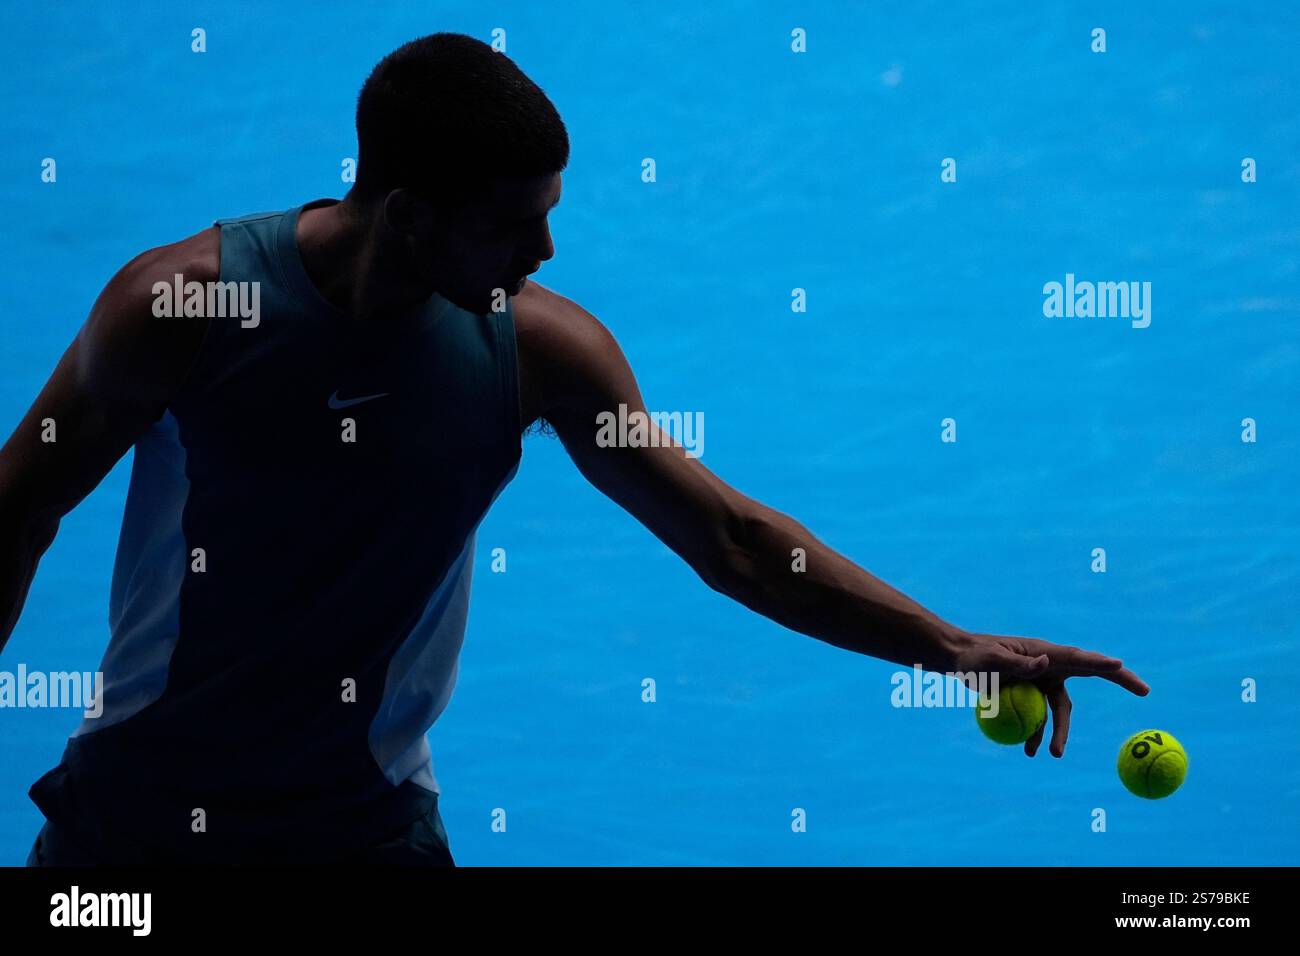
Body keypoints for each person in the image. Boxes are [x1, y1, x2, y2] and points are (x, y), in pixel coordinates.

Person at [0, 32, 1148, 866]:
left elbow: (735, 541)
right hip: (136, 828)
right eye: (513, 221)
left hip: (362, 825)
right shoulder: (182, 306)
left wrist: (951, 646)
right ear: (405, 213)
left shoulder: (540, 354)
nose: (544, 249)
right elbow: (16, 508)